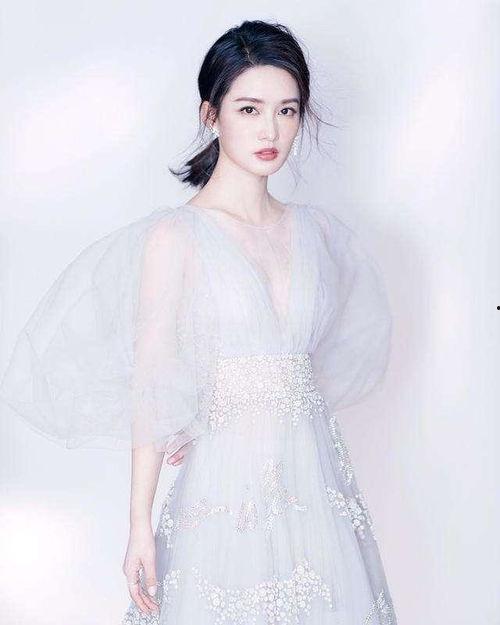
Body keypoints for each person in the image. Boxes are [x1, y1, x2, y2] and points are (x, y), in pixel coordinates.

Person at [0, 19, 397, 625]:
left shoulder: (315, 231)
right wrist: (139, 524)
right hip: (224, 490)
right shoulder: (177, 236)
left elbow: (321, 359)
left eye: (287, 110)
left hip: (315, 483)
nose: (270, 130)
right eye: (249, 109)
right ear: (211, 115)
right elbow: (152, 379)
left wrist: (231, 399)